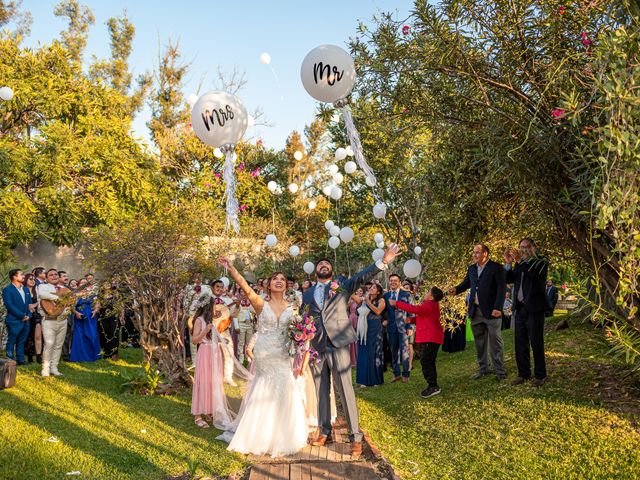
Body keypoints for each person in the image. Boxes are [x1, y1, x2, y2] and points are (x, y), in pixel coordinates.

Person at [302, 244, 399, 458]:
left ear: (332, 269)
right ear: (315, 270)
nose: (324, 265)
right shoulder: (307, 293)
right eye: (320, 264)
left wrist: (383, 262)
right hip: (317, 346)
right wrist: (302, 339)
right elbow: (304, 318)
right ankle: (324, 430)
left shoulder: (342, 286)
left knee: (345, 390)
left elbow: (362, 275)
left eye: (327, 263)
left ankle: (355, 436)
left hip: (338, 343)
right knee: (320, 391)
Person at [217, 256, 309, 457]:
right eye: (274, 278)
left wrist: (302, 337)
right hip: (264, 354)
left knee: (284, 388)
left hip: (283, 354)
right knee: (264, 387)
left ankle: (283, 435)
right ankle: (258, 435)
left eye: (282, 279)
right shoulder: (260, 304)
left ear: (287, 285)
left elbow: (295, 332)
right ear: (268, 285)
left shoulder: (292, 308)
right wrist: (232, 268)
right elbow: (244, 286)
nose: (278, 281)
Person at [448, 244, 507, 381]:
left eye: (477, 252)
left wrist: (498, 308)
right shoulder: (472, 269)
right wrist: (456, 290)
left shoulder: (496, 268)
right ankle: (483, 369)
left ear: (485, 253)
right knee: (480, 343)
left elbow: (501, 289)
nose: (474, 255)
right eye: (473, 252)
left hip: (492, 312)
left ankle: (500, 371)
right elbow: (466, 283)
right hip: (475, 311)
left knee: (495, 342)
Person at [505, 239, 549, 386]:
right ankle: (523, 373)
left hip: (535, 308)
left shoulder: (540, 261)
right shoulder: (520, 263)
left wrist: (520, 262)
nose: (524, 249)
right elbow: (509, 279)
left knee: (536, 342)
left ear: (533, 247)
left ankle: (540, 375)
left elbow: (534, 277)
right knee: (520, 342)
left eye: (527, 246)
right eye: (521, 247)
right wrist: (509, 263)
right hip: (520, 308)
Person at [190, 296, 238, 429]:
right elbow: (194, 341)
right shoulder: (199, 321)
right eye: (213, 305)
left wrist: (222, 341)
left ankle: (209, 409)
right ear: (207, 307)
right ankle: (198, 415)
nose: (215, 308)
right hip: (205, 353)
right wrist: (205, 330)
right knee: (203, 381)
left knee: (213, 382)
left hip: (215, 353)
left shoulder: (210, 320)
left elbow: (213, 338)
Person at [390, 287, 445, 398]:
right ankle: (433, 385)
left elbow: (414, 309)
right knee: (429, 361)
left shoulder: (429, 304)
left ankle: (433, 386)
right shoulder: (430, 305)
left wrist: (397, 303)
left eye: (428, 291)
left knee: (425, 361)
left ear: (432, 296)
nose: (426, 292)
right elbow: (423, 316)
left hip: (431, 337)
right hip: (432, 337)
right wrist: (411, 320)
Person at [37, 269, 69, 377]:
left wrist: (72, 300)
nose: (54, 276)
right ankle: (45, 369)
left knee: (58, 345)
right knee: (49, 344)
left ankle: (54, 368)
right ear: (46, 278)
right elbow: (42, 295)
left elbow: (71, 302)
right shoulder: (43, 287)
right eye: (51, 275)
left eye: (56, 274)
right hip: (48, 321)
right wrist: (58, 298)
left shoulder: (65, 289)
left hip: (62, 320)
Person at [383, 274, 413, 383]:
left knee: (404, 351)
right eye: (391, 281)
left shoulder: (406, 294)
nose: (393, 282)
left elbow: (411, 311)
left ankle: (406, 374)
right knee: (393, 351)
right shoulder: (386, 296)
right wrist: (384, 319)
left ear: (399, 282)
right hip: (391, 328)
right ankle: (396, 374)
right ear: (389, 282)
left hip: (404, 327)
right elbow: (383, 310)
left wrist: (410, 326)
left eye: (395, 280)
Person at [355, 284, 386, 388]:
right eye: (370, 287)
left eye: (374, 288)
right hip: (364, 327)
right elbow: (353, 297)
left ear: (378, 292)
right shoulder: (364, 299)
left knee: (374, 351)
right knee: (363, 350)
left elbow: (378, 311)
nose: (371, 289)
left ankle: (376, 380)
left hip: (375, 328)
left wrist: (368, 303)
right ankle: (363, 380)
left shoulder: (381, 300)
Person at [211, 279, 239, 385]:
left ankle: (228, 377)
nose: (219, 289)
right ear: (212, 288)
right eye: (217, 287)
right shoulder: (207, 300)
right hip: (211, 332)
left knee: (229, 353)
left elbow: (234, 315)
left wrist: (237, 306)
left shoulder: (227, 301)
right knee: (213, 355)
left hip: (224, 331)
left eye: (221, 287)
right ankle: (213, 377)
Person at [2, 269, 33, 365]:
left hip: (26, 320)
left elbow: (30, 305)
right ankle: (10, 360)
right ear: (14, 277)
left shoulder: (26, 289)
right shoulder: (7, 289)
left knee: (21, 341)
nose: (23, 276)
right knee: (12, 340)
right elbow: (9, 305)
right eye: (21, 274)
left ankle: (21, 360)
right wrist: (22, 315)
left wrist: (28, 315)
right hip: (14, 320)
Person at [70, 280, 101, 362]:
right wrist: (76, 313)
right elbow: (72, 307)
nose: (84, 284)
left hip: (91, 317)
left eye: (85, 283)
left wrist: (95, 310)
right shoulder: (76, 295)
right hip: (80, 317)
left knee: (92, 335)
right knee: (80, 336)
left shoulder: (92, 294)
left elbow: (97, 304)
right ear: (79, 285)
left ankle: (93, 355)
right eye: (82, 283)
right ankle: (80, 357)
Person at [23, 274, 43, 364]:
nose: (33, 280)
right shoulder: (22, 290)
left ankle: (39, 356)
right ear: (26, 280)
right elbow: (21, 303)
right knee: (27, 337)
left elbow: (41, 301)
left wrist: (33, 305)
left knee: (38, 336)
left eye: (34, 279)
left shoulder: (37, 290)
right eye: (30, 279)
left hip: (36, 315)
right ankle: (30, 357)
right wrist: (28, 306)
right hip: (26, 315)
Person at [235, 289, 255, 364]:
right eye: (242, 292)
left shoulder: (250, 303)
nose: (244, 294)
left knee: (249, 342)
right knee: (241, 342)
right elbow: (235, 315)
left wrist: (252, 303)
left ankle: (248, 358)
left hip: (249, 324)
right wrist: (236, 326)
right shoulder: (238, 302)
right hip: (241, 323)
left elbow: (255, 311)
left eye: (245, 292)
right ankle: (241, 358)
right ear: (240, 293)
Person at [348, 288, 364, 367]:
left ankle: (359, 358)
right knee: (352, 339)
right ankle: (352, 359)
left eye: (361, 291)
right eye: (358, 290)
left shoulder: (364, 300)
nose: (359, 292)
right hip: (352, 318)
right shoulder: (351, 299)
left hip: (360, 319)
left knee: (359, 338)